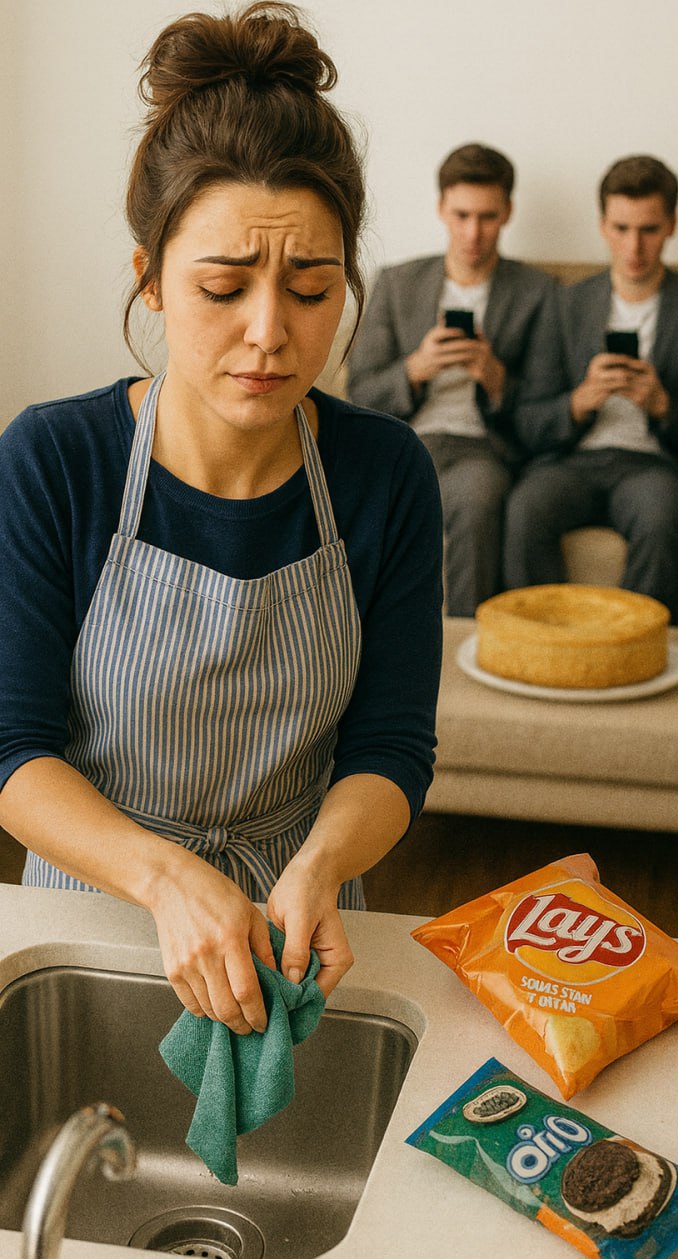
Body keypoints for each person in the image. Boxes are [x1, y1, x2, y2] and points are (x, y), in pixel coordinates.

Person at [0, 4, 443, 1032]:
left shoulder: (385, 476)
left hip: (301, 930)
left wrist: (321, 859)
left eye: (311, 288)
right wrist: (164, 879)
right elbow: (14, 750)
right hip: (94, 919)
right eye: (223, 285)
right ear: (150, 277)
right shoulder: (53, 460)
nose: (269, 333)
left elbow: (391, 748)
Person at [346, 143, 558, 617]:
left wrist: (497, 379)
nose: (473, 232)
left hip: (479, 449)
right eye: (461, 214)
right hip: (401, 441)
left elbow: (545, 409)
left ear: (507, 212)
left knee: (479, 496)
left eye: (487, 216)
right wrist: (416, 367)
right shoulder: (398, 283)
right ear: (442, 207)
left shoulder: (537, 292)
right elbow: (361, 392)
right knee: (355, 494)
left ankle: (464, 637)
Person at [503, 155, 678, 618]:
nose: (633, 247)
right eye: (620, 229)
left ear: (672, 225)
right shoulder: (566, 303)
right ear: (602, 226)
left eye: (648, 230)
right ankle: (539, 641)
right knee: (525, 509)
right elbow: (529, 418)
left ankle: (639, 647)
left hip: (652, 465)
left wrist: (662, 405)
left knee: (661, 518)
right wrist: (580, 402)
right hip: (573, 460)